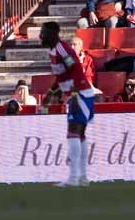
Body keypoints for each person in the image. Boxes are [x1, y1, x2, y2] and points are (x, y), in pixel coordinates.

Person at [39, 21, 96, 187]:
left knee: (73, 132)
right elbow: (61, 77)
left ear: (53, 34)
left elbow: (76, 69)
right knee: (80, 134)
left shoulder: (61, 48)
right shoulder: (53, 50)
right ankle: (83, 177)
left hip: (79, 93)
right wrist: (50, 95)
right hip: (78, 93)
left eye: (43, 32)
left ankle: (73, 178)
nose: (41, 35)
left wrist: (76, 94)